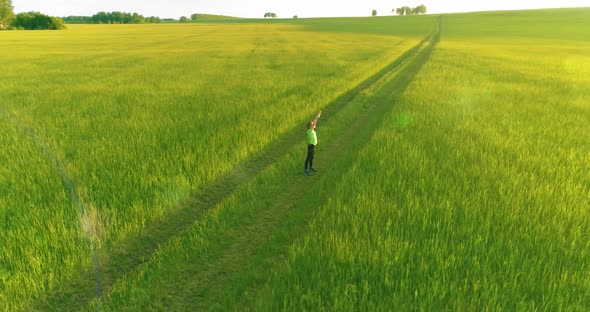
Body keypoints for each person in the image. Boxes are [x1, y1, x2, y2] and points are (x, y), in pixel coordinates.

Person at [305, 110, 321, 176]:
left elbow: (314, 124)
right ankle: (306, 170)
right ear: (310, 126)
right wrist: (317, 117)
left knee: (312, 157)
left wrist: (317, 118)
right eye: (312, 124)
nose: (314, 125)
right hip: (310, 146)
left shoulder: (312, 131)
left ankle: (311, 167)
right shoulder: (309, 131)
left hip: (313, 146)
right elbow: (314, 122)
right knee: (308, 158)